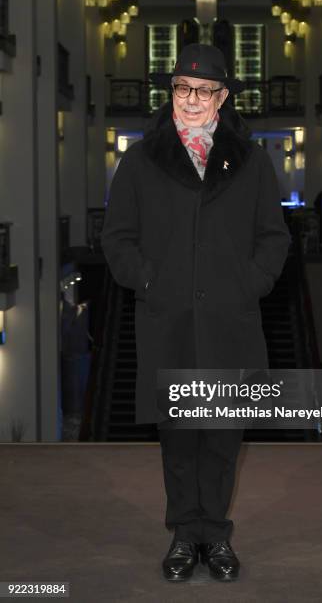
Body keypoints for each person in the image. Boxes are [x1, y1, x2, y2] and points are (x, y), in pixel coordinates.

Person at [101, 43, 291, 582]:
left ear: (223, 97)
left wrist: (249, 284)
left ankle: (217, 536)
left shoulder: (251, 162)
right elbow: (117, 239)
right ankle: (186, 537)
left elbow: (273, 238)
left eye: (205, 90)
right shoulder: (140, 160)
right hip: (170, 325)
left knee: (223, 440)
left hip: (230, 323)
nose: (192, 99)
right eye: (183, 88)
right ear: (171, 93)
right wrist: (149, 279)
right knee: (180, 441)